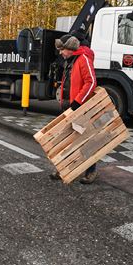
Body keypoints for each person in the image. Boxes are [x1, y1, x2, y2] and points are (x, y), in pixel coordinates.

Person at [50, 34, 98, 184]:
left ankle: (91, 171)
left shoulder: (83, 59)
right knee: (67, 140)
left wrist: (78, 102)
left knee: (84, 140)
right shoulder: (70, 61)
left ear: (70, 48)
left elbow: (91, 82)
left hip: (79, 108)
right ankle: (63, 170)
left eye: (62, 49)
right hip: (68, 106)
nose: (60, 53)